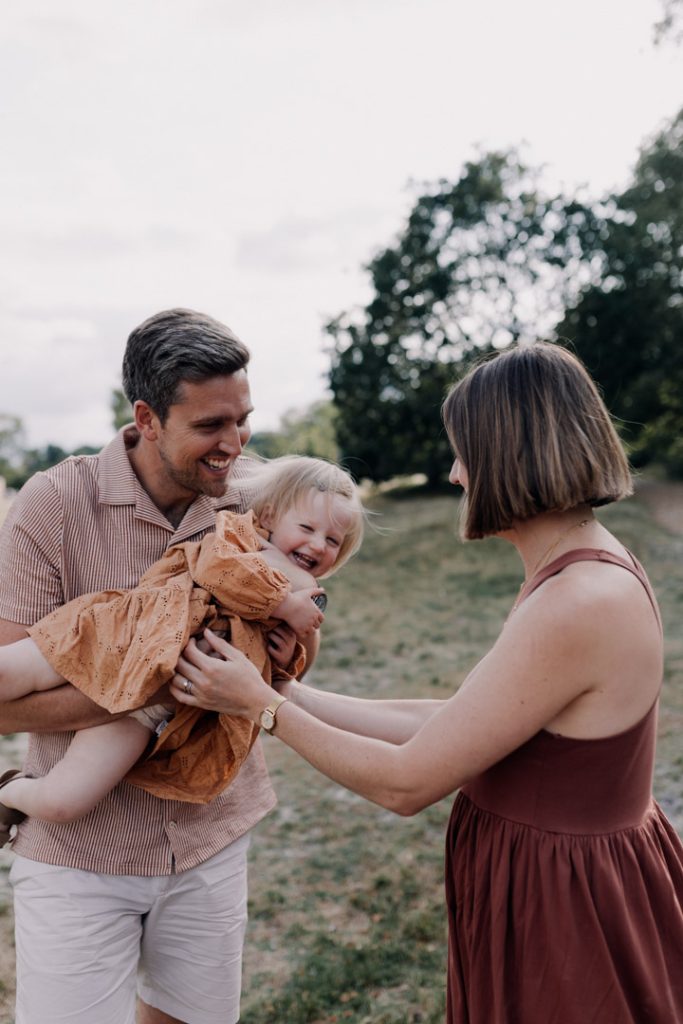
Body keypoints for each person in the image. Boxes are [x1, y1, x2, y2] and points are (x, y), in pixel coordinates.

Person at [169, 342, 683, 1023]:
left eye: (464, 452)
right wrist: (284, 690)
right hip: (560, 880)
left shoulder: (579, 600)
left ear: (510, 454)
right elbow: (460, 719)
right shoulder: (580, 566)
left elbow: (406, 781)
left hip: (569, 905)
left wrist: (260, 707)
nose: (454, 474)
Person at [0, 308, 320, 1024]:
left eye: (242, 420)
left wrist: (275, 654)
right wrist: (158, 686)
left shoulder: (252, 504)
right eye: (211, 426)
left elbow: (278, 653)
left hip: (212, 835)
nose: (234, 445)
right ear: (146, 417)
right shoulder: (52, 505)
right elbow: (2, 698)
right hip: (82, 854)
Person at [0, 454, 364, 827]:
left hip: (149, 706)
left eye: (333, 540)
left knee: (65, 802)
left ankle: (9, 792)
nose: (318, 545)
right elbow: (214, 570)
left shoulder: (302, 594)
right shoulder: (242, 539)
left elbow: (270, 681)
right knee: (7, 673)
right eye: (307, 527)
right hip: (124, 633)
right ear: (269, 518)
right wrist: (285, 601)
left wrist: (285, 657)